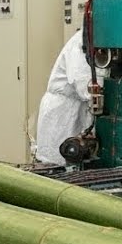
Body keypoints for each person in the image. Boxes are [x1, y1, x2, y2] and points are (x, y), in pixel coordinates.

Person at [34, 28, 94, 165]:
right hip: (62, 113)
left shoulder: (91, 40)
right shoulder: (81, 43)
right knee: (58, 162)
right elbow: (84, 85)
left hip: (75, 110)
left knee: (73, 160)